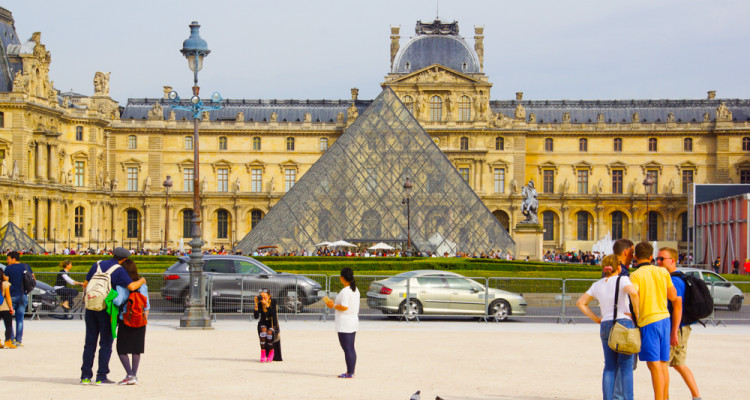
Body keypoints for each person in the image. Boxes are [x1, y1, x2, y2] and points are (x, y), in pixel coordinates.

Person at [577, 255, 640, 400]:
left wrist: (596, 319)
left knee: (609, 366)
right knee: (626, 366)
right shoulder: (622, 279)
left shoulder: (597, 284)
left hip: (605, 323)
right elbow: (634, 293)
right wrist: (635, 313)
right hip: (623, 322)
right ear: (618, 267)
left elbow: (581, 303)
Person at [80, 247, 145, 385]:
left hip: (91, 307)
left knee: (89, 343)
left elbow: (85, 285)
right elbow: (132, 287)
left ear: (112, 254)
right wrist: (142, 280)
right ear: (124, 259)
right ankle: (101, 376)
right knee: (105, 343)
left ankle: (85, 376)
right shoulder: (119, 270)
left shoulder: (97, 264)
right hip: (107, 310)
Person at [629, 242, 682, 400]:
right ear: (651, 256)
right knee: (663, 363)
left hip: (649, 320)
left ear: (635, 257)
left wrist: (636, 317)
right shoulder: (662, 272)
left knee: (653, 365)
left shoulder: (636, 275)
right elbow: (673, 296)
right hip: (664, 319)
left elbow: (635, 298)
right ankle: (665, 397)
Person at [656, 247, 701, 400]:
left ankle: (664, 397)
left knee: (663, 364)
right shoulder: (677, 277)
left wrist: (673, 331)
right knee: (678, 364)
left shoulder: (674, 280)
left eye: (662, 259)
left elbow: (678, 306)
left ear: (672, 261)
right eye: (658, 259)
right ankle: (696, 396)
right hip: (681, 327)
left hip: (677, 328)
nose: (659, 262)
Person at [113, 259, 150, 385]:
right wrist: (144, 319)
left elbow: (117, 302)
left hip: (126, 319)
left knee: (121, 349)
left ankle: (129, 374)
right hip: (140, 320)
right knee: (136, 349)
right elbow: (147, 306)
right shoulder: (143, 285)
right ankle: (134, 375)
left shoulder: (122, 285)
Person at [324, 267, 360, 378]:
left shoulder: (345, 291)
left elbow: (344, 306)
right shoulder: (355, 289)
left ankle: (350, 372)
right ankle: (351, 370)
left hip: (345, 322)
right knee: (350, 347)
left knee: (347, 348)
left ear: (342, 277)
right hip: (352, 320)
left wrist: (332, 305)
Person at [4, 251, 34, 346]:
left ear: (13, 259)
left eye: (8, 258)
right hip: (23, 295)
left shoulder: (8, 268)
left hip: (11, 296)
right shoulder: (26, 266)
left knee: (8, 319)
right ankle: (19, 340)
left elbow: (5, 283)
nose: (7, 260)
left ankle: (11, 339)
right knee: (20, 319)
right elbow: (33, 280)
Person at [253, 288, 282, 362]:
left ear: (269, 296)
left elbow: (273, 315)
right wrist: (256, 304)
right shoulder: (259, 303)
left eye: (265, 296)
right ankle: (263, 352)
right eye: (262, 297)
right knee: (263, 331)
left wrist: (266, 304)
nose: (263, 298)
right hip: (263, 323)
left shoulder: (273, 301)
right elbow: (256, 317)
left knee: (269, 333)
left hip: (272, 323)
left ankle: (271, 351)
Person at [0, 268, 15, 349]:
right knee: (8, 325)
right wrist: (11, 307)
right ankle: (7, 341)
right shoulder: (5, 284)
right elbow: (8, 297)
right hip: (5, 307)